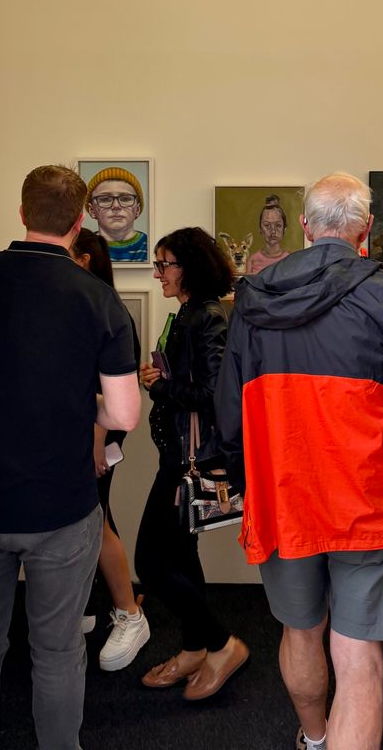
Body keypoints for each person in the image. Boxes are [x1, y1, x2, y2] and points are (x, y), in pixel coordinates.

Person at [215, 172, 383, 750]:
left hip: (284, 501)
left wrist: (250, 486)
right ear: (366, 229)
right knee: (358, 653)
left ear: (306, 227)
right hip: (368, 505)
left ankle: (314, 739)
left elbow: (229, 417)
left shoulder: (252, 301)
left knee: (300, 631)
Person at [0, 165, 141, 750]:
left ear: (22, 213)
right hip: (62, 507)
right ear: (79, 222)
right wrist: (83, 408)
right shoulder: (97, 298)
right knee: (58, 649)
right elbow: (124, 415)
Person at [135, 227, 249, 700]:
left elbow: (212, 394)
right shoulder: (188, 313)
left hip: (186, 464)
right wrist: (160, 379)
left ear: (189, 267)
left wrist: (159, 386)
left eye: (164, 265)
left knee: (150, 563)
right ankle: (195, 647)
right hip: (175, 458)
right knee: (182, 558)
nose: (157, 273)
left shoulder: (208, 316)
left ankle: (222, 645)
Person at [70, 228, 151, 670]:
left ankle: (129, 613)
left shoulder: (103, 309)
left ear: (84, 260)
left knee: (97, 519)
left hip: (98, 433)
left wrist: (97, 444)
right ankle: (88, 606)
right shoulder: (88, 303)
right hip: (87, 430)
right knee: (89, 518)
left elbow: (107, 390)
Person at [85, 166, 148, 262]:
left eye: (126, 199)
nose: (116, 206)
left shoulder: (150, 245)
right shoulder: (82, 248)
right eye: (105, 199)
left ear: (138, 209)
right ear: (92, 210)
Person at [246, 194, 291, 274]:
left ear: (284, 229)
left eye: (278, 225)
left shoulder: (290, 259)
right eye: (267, 225)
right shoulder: (253, 260)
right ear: (260, 229)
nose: (273, 231)